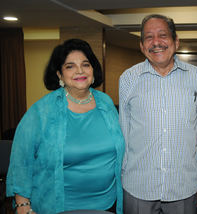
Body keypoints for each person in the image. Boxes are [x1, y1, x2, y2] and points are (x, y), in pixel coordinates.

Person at [6, 39, 125, 214]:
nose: (80, 70)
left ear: (93, 70)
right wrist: (23, 205)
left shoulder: (105, 103)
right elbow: (21, 161)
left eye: (86, 64)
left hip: (109, 205)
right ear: (59, 75)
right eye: (70, 66)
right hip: (58, 207)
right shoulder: (42, 111)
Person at [119, 14, 197, 214]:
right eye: (149, 37)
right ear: (142, 46)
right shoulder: (128, 79)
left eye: (162, 35)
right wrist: (123, 177)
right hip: (138, 186)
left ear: (176, 41)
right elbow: (124, 132)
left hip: (184, 186)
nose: (156, 42)